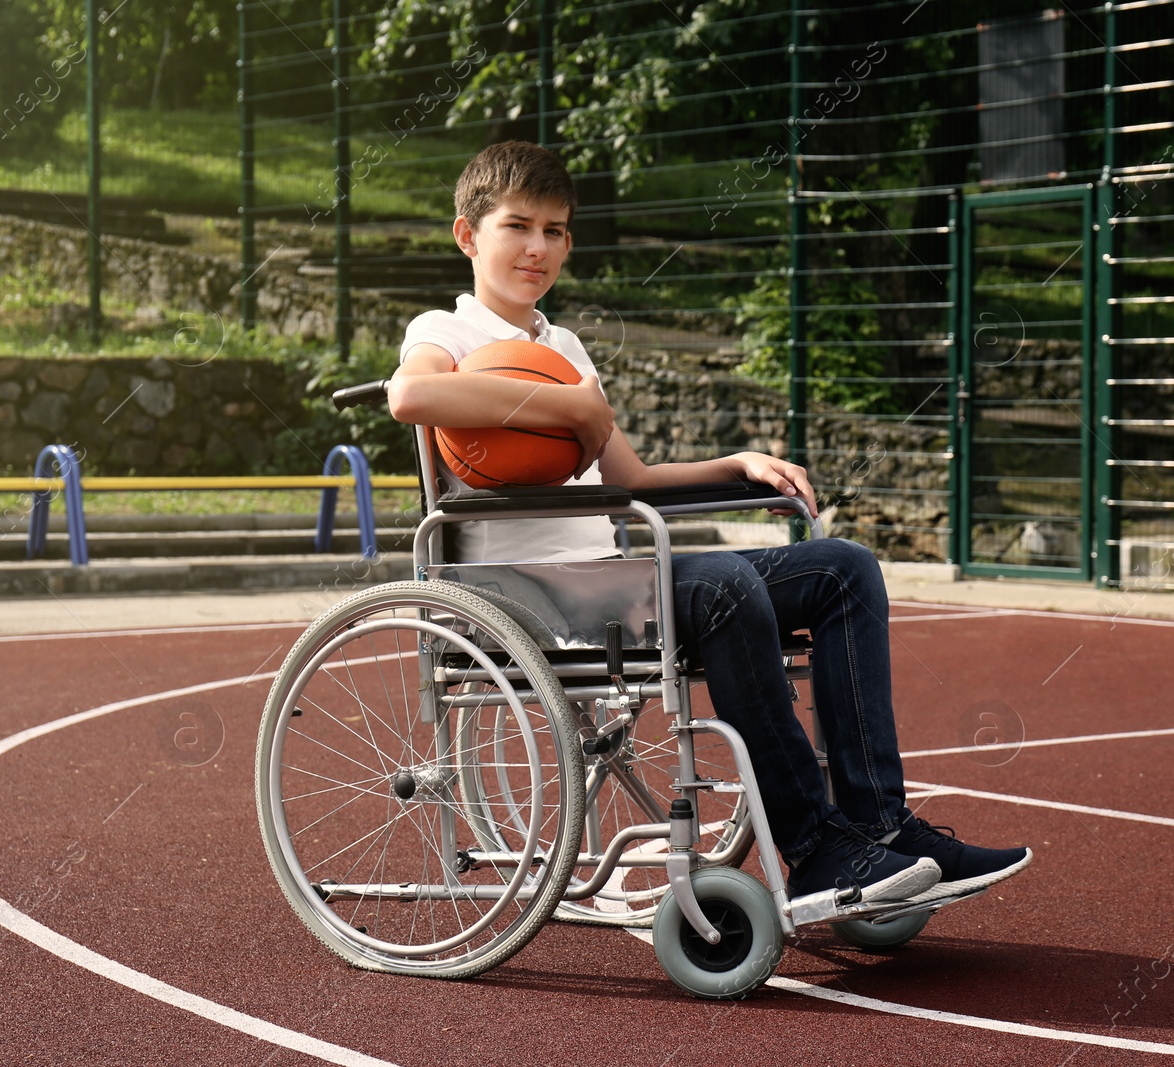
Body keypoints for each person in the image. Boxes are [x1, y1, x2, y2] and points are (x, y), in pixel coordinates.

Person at [388, 140, 1031, 906]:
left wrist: (737, 463)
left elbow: (628, 480)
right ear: (468, 234)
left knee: (842, 567)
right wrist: (572, 405)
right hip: (524, 592)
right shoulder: (445, 330)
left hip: (608, 580)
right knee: (723, 583)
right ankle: (816, 849)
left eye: (556, 230)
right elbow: (411, 399)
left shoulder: (560, 347)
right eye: (518, 225)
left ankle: (881, 827)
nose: (539, 247)